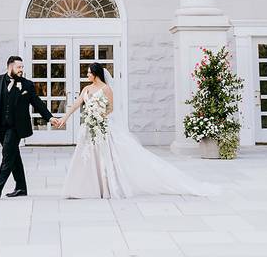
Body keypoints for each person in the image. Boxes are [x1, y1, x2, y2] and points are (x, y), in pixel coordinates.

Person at [57, 62, 216, 199]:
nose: (87, 75)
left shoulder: (106, 89)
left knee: (103, 158)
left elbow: (110, 108)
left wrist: (99, 117)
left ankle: (105, 188)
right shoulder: (85, 89)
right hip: (89, 128)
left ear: (96, 74)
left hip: (102, 126)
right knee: (85, 157)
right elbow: (76, 105)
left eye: (89, 73)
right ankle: (83, 188)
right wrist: (64, 119)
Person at [0, 55, 63, 199]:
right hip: (1, 127)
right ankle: (21, 187)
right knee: (14, 156)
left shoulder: (27, 85)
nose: (21, 70)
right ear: (10, 67)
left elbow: (37, 103)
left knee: (7, 155)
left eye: (22, 67)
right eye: (18, 67)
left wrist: (50, 118)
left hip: (16, 127)